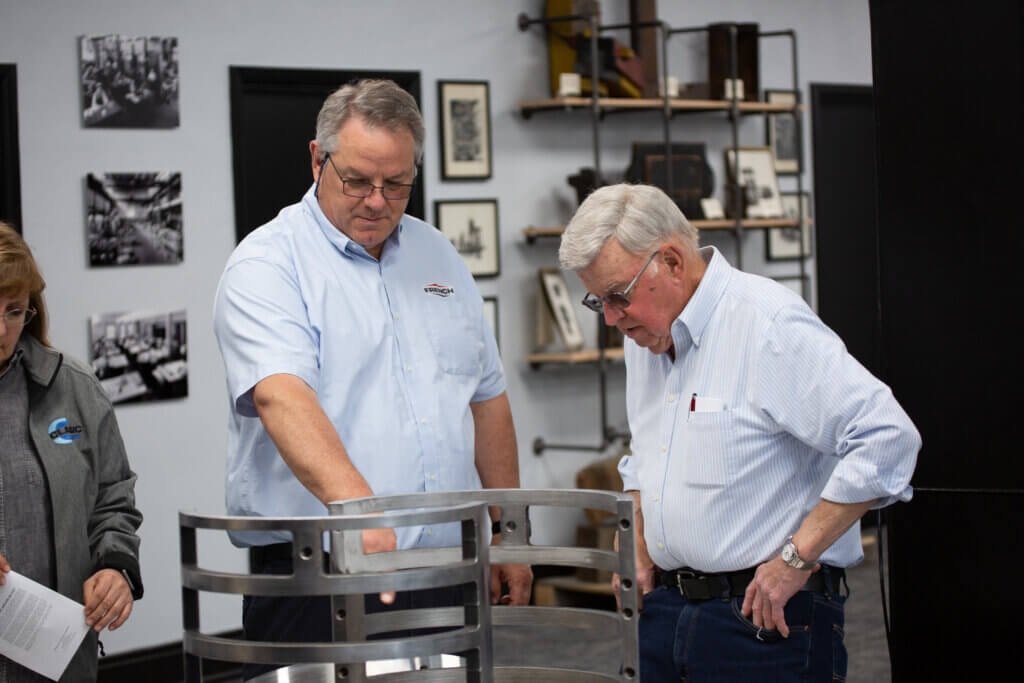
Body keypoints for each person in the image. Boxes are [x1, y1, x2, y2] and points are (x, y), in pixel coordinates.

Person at [213, 79, 531, 679]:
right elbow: (282, 396)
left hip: (445, 568)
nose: (378, 201)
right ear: (317, 158)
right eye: (357, 180)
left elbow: (485, 398)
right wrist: (364, 517)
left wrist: (509, 529)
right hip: (319, 577)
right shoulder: (267, 265)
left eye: (398, 184)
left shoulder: (439, 257)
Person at [558, 184, 920, 682]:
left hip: (764, 621)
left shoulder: (765, 324)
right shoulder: (645, 339)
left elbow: (887, 437)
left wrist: (796, 558)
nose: (613, 320)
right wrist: (641, 542)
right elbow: (647, 453)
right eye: (599, 303)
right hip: (666, 615)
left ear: (672, 262)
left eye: (618, 296)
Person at [0, 222, 143, 682]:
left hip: (57, 658)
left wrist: (116, 568)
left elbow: (113, 498)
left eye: (15, 311)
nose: (2, 330)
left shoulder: (72, 388)